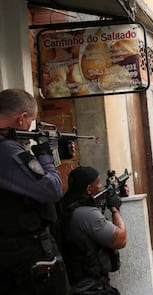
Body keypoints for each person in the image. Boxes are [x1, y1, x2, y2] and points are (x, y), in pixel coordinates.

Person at [0, 88, 70, 294]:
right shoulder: (7, 150)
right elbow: (51, 189)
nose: (30, 127)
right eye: (31, 121)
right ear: (21, 119)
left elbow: (23, 182)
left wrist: (57, 154)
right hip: (23, 254)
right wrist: (46, 155)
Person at [61, 166, 127, 295]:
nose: (101, 186)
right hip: (90, 288)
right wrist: (114, 209)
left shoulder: (67, 207)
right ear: (89, 189)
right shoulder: (86, 215)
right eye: (98, 183)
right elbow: (121, 239)